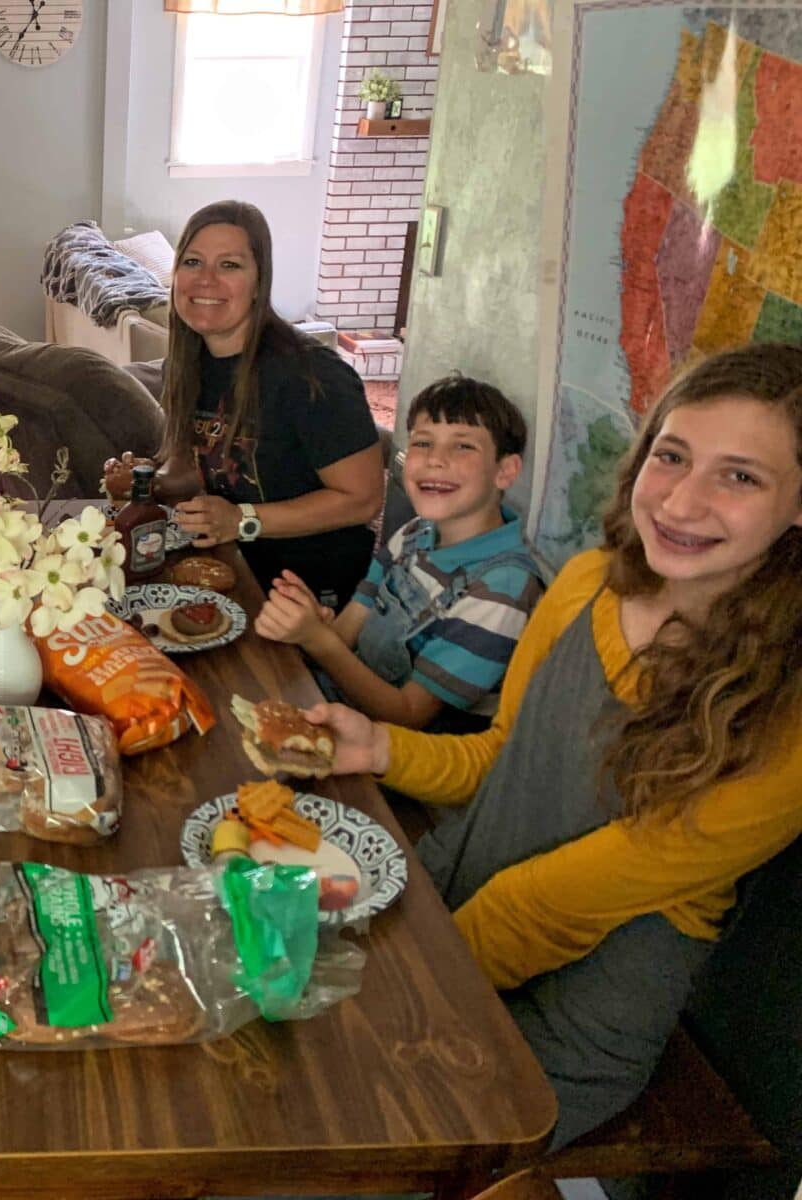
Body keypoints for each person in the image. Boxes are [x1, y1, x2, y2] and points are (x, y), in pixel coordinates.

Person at [310, 344, 802, 1147]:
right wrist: (381, 752)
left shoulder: (785, 712)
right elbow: (500, 758)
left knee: (331, 1145)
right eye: (671, 456)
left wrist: (398, 986)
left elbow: (548, 905)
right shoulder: (583, 585)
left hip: (567, 1011)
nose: (681, 500)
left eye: (740, 476)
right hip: (454, 898)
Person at [256, 374, 545, 733]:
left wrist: (318, 639)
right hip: (345, 706)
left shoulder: (501, 588)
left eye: (463, 446)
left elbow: (410, 714)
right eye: (423, 443)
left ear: (505, 471)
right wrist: (314, 623)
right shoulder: (413, 534)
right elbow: (347, 631)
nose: (435, 460)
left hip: (403, 760)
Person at [158, 200, 383, 609]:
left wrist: (242, 520)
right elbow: (198, 472)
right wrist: (145, 480)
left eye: (229, 265)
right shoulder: (186, 363)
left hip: (310, 593)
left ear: (260, 282)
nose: (205, 280)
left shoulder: (312, 376)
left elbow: (364, 499)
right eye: (192, 262)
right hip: (231, 571)